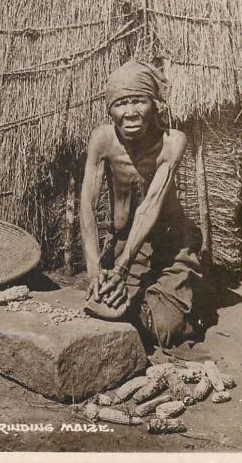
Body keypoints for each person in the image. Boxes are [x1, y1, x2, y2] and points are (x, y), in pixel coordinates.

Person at [79, 59, 204, 348]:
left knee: (162, 328)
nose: (131, 113)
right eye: (121, 104)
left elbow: (151, 204)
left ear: (154, 105)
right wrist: (94, 270)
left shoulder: (173, 142)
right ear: (109, 110)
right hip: (125, 245)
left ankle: (186, 292)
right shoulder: (102, 140)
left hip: (171, 247)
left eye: (139, 102)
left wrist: (121, 270)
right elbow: (87, 202)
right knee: (108, 300)